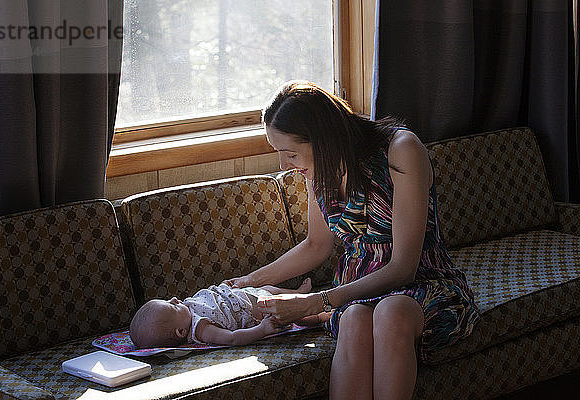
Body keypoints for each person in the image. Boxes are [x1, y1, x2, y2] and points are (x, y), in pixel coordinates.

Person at [223, 81, 480, 399]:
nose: (283, 166)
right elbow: (317, 245)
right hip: (356, 293)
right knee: (356, 319)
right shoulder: (316, 169)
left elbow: (403, 268)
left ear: (322, 139)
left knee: (390, 313)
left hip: (424, 283)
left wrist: (317, 301)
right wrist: (248, 280)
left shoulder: (400, 150)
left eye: (289, 154)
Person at [129, 278, 330, 348]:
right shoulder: (201, 329)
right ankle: (324, 316)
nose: (174, 299)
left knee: (272, 289)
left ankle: (298, 293)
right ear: (181, 332)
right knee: (300, 317)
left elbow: (212, 297)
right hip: (258, 311)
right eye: (172, 306)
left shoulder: (188, 307)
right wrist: (261, 330)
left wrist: (224, 288)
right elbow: (232, 338)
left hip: (245, 294)